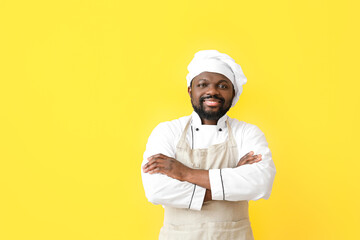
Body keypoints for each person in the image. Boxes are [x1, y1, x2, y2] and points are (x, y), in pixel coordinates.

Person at [141, 50, 276, 240]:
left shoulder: (248, 132)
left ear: (233, 92)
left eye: (222, 85)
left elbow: (261, 183)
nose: (212, 91)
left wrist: (185, 173)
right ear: (190, 90)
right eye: (203, 84)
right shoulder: (167, 131)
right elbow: (156, 190)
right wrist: (232, 179)